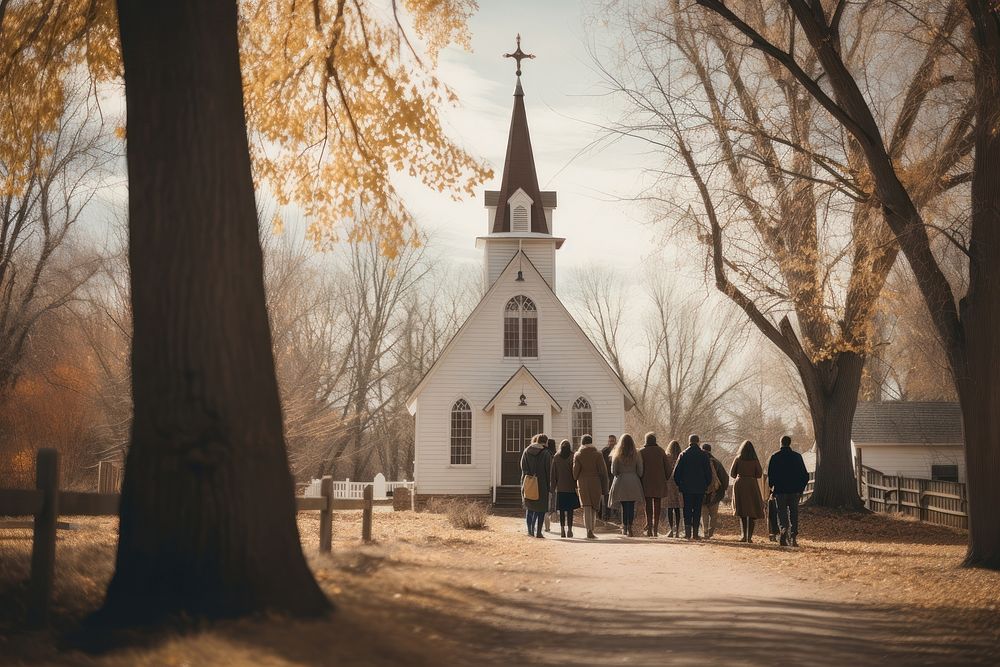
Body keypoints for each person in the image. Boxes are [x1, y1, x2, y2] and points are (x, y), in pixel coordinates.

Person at [767, 435, 810, 546]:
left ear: (781, 443)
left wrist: (772, 488)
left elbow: (771, 475)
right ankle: (793, 536)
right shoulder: (797, 457)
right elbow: (805, 475)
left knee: (781, 513)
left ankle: (783, 530)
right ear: (789, 443)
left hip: (780, 490)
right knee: (794, 513)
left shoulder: (775, 457)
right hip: (794, 491)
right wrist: (800, 489)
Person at [671, 434, 713, 540]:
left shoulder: (683, 454)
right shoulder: (703, 455)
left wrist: (680, 484)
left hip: (686, 488)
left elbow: (676, 473)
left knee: (687, 509)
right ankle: (695, 533)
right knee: (697, 509)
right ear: (698, 442)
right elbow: (709, 473)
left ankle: (688, 533)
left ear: (689, 442)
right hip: (700, 487)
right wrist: (706, 484)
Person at [573, 434, 609, 539]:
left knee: (587, 507)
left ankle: (588, 530)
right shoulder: (598, 454)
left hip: (583, 483)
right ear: (591, 442)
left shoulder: (578, 455)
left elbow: (575, 474)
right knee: (594, 507)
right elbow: (603, 472)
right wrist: (605, 488)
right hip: (595, 482)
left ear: (582, 443)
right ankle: (592, 530)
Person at [609, 433, 645, 537]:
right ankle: (630, 527)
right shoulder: (636, 453)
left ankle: (624, 527)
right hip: (633, 481)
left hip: (621, 482)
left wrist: (620, 474)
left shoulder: (617, 453)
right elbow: (640, 471)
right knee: (631, 505)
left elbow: (613, 471)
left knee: (624, 506)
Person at [730, 440, 765, 543]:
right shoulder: (755, 460)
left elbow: (732, 473)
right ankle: (749, 537)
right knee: (752, 510)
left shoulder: (738, 459)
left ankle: (743, 536)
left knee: (742, 511)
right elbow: (759, 474)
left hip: (740, 484)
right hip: (752, 485)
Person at [520, 433, 553, 538]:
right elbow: (549, 471)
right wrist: (550, 486)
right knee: (541, 509)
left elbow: (522, 467)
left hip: (528, 482)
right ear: (545, 442)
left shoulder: (526, 451)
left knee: (529, 507)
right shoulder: (546, 453)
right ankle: (538, 532)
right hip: (542, 484)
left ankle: (530, 530)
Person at [639, 432, 670, 537]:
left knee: (648, 505)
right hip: (659, 482)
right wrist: (664, 478)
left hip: (645, 482)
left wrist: (640, 479)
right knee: (657, 505)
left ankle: (649, 528)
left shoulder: (641, 452)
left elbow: (639, 468)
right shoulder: (661, 451)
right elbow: (668, 469)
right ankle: (656, 529)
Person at [550, 439, 581, 538]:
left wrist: (553, 487)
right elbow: (575, 472)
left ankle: (562, 529)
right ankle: (570, 530)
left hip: (561, 488)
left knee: (562, 510)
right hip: (571, 487)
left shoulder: (556, 457)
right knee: (570, 510)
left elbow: (553, 474)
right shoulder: (573, 456)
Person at [700, 443, 729, 539]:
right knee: (713, 514)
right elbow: (725, 478)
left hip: (702, 492)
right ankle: (711, 531)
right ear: (710, 450)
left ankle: (705, 532)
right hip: (715, 492)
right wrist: (722, 490)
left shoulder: (700, 461)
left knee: (704, 513)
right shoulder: (717, 462)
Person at [663, 440, 684, 537]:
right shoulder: (681, 457)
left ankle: (671, 530)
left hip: (669, 484)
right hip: (678, 483)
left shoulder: (667, 457)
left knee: (669, 508)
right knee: (677, 508)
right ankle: (678, 531)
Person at [600, 434, 617, 522]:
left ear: (615, 441)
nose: (611, 443)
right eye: (610, 441)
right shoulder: (604, 451)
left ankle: (615, 513)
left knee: (615, 495)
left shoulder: (618, 450)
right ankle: (607, 514)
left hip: (616, 476)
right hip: (606, 476)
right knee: (607, 495)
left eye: (613, 441)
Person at [543, 437, 557, 533]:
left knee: (545, 505)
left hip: (546, 481)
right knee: (553, 501)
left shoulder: (544, 455)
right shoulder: (555, 456)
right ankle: (554, 516)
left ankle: (547, 527)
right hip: (554, 482)